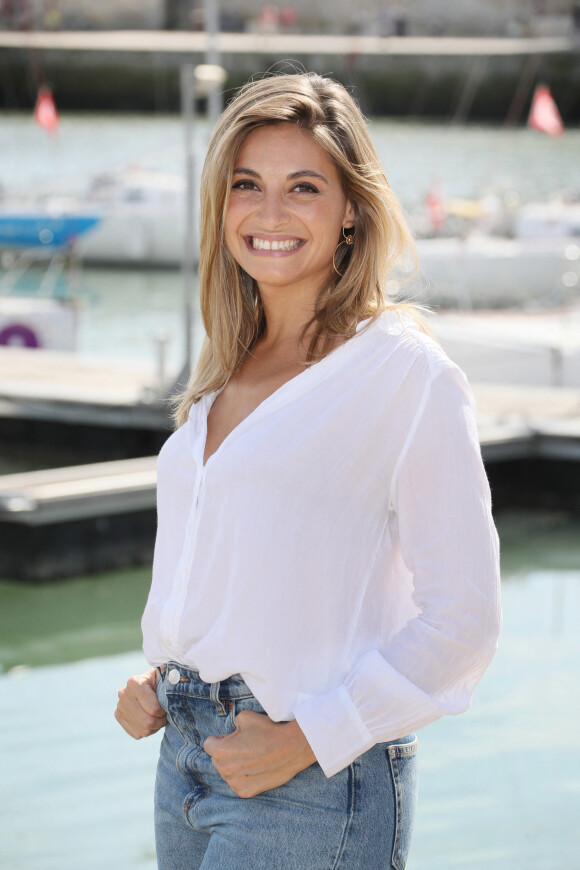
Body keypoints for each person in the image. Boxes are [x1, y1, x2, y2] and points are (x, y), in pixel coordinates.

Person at [115, 71, 501, 870]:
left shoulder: (405, 374)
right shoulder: (226, 370)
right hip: (186, 755)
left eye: (303, 188)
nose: (269, 214)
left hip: (313, 779)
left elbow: (464, 619)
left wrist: (307, 740)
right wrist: (164, 670)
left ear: (352, 209)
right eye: (247, 185)